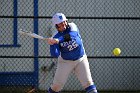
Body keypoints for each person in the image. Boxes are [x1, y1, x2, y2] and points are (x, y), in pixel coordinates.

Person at [46, 13, 98, 93]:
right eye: (60, 24)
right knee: (56, 87)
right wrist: (52, 44)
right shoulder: (55, 36)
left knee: (88, 83)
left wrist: (58, 40)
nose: (64, 25)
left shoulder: (72, 26)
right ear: (56, 26)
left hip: (80, 59)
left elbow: (72, 35)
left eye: (64, 22)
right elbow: (55, 54)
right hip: (65, 62)